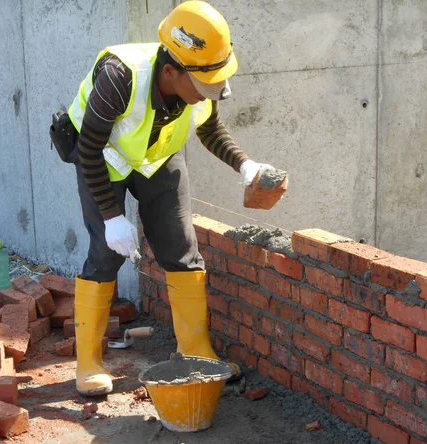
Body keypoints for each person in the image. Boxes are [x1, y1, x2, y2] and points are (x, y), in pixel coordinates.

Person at [67, 0, 278, 396]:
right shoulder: (119, 77)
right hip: (103, 160)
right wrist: (112, 218)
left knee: (181, 247)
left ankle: (195, 352)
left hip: (158, 157)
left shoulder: (199, 72)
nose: (216, 91)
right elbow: (89, 148)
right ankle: (89, 362)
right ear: (170, 72)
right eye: (206, 86)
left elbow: (210, 129)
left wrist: (245, 165)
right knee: (105, 252)